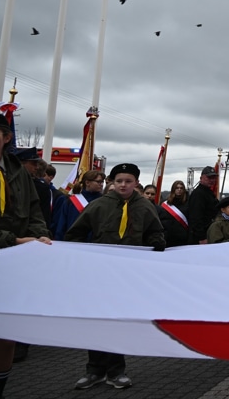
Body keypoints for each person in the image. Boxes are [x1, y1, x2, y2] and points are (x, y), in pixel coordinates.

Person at [65, 162, 165, 390]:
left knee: (119, 320)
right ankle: (94, 370)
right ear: (111, 182)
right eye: (118, 180)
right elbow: (76, 233)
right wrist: (85, 256)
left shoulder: (145, 207)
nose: (123, 185)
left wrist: (155, 243)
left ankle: (116, 370)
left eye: (128, 181)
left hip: (129, 273)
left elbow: (155, 233)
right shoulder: (99, 205)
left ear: (136, 183)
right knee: (98, 319)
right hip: (100, 272)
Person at [0, 113, 52, 399]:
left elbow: (35, 210)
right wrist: (12, 240)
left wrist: (40, 235)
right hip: (2, 248)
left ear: (6, 137)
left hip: (13, 262)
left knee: (4, 335)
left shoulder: (17, 170)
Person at [51, 170, 104, 241]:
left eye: (102, 182)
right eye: (98, 182)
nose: (101, 184)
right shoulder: (71, 201)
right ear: (87, 183)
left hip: (96, 244)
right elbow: (61, 225)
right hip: (73, 243)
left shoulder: (104, 201)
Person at [186, 166, 219, 244]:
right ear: (201, 178)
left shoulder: (208, 193)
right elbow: (196, 218)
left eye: (214, 178)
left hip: (209, 232)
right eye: (209, 177)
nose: (212, 180)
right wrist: (201, 237)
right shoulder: (198, 194)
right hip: (201, 237)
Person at [158, 180, 190, 248]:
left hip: (182, 238)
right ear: (173, 189)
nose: (179, 190)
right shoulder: (165, 204)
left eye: (181, 188)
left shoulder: (188, 203)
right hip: (168, 237)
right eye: (177, 188)